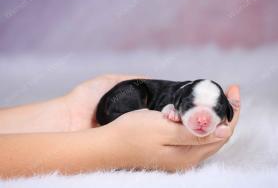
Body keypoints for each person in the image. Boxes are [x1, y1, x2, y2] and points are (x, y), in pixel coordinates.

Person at [0, 74, 240, 178]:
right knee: (139, 94)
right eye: (191, 107)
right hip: (125, 97)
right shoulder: (172, 99)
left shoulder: (184, 95)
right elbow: (164, 106)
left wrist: (68, 111)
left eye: (215, 111)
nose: (202, 119)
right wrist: (113, 145)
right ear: (178, 101)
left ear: (225, 111)